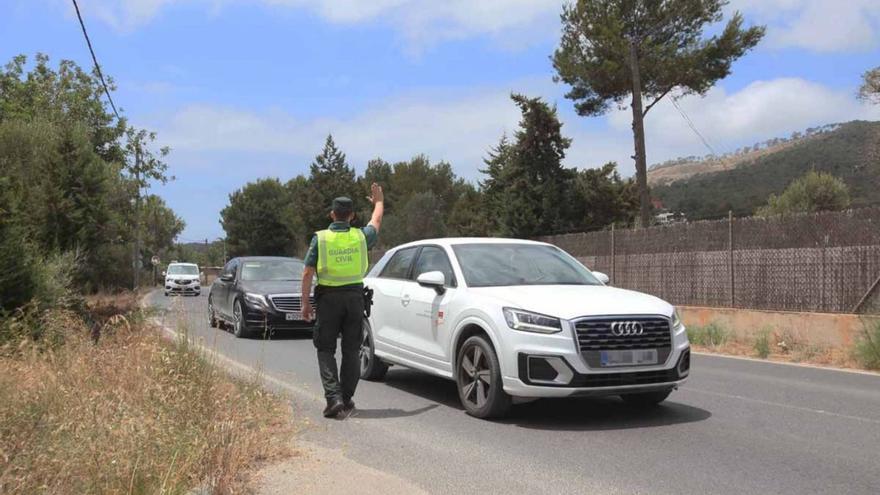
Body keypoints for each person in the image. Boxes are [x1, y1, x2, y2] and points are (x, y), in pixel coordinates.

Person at [301, 183, 384, 418]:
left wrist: (305, 303)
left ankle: (333, 398)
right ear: (352, 216)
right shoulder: (360, 236)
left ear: (331, 214)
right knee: (351, 350)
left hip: (328, 300)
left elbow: (307, 272)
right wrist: (379, 201)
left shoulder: (321, 239)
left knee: (325, 348)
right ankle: (346, 399)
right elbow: (376, 222)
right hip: (355, 300)